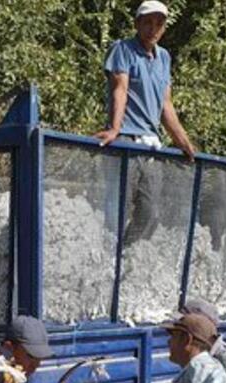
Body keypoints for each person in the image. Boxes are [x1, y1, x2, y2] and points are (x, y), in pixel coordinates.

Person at [95, 0, 196, 245]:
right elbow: (121, 88)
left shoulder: (163, 58)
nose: (153, 28)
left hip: (152, 144)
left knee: (150, 212)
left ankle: (126, 253)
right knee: (117, 207)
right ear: (137, 24)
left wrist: (183, 141)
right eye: (148, 22)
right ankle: (106, 258)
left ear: (164, 28)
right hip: (127, 139)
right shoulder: (123, 49)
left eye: (159, 24)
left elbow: (166, 105)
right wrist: (115, 129)